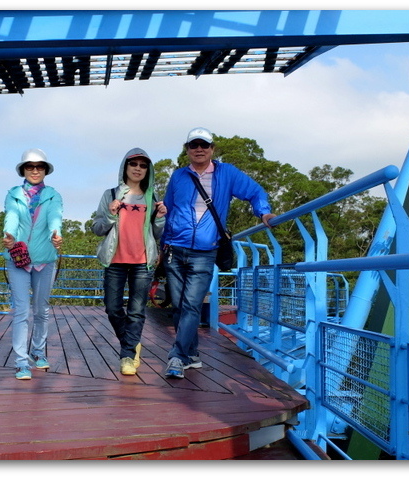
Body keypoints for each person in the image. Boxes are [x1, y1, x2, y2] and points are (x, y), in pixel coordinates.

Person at [161, 127, 276, 379]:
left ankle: (177, 357)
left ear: (212, 149)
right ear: (187, 149)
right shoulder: (179, 176)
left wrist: (263, 212)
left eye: (204, 145)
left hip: (205, 251)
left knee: (191, 304)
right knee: (180, 306)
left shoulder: (227, 174)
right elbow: (167, 208)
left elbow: (255, 192)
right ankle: (191, 355)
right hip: (175, 248)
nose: (199, 149)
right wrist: (162, 244)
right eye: (194, 145)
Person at [92, 148, 166, 376]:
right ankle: (131, 344)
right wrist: (111, 213)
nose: (138, 169)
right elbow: (97, 228)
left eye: (143, 165)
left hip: (142, 263)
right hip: (114, 260)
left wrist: (161, 217)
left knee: (136, 311)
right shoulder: (111, 194)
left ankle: (126, 356)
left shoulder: (152, 197)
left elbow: (157, 233)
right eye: (133, 164)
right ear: (125, 166)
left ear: (148, 170)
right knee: (113, 308)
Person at [2, 148, 64, 380]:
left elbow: (55, 218)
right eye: (30, 166)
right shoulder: (13, 193)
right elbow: (12, 216)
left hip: (45, 260)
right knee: (21, 311)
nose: (35, 170)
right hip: (18, 259)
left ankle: (38, 352)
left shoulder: (53, 195)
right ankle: (21, 362)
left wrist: (56, 235)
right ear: (23, 170)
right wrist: (8, 234)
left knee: (41, 311)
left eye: (39, 167)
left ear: (45, 170)